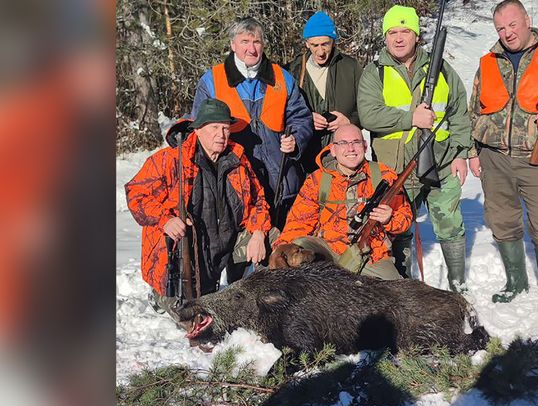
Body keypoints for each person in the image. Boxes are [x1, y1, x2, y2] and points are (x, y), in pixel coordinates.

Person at [467, 0, 538, 315]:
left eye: (512, 24)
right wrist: (473, 152)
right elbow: (473, 109)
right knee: (502, 220)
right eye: (500, 28)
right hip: (493, 156)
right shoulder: (488, 61)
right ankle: (515, 282)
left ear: (527, 19)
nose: (507, 33)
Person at [357, 5, 472, 291]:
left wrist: (461, 152)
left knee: (449, 222)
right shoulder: (375, 73)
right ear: (385, 37)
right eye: (392, 32)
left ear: (417, 36)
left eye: (405, 31)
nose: (398, 38)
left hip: (442, 161)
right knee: (399, 227)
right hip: (395, 168)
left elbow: (458, 109)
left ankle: (458, 284)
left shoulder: (441, 68)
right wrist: (412, 118)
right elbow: (369, 115)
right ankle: (403, 287)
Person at [125, 99, 273, 319]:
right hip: (184, 253)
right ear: (199, 130)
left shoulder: (238, 161)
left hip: (225, 245)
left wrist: (259, 232)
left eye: (225, 128)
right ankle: (160, 295)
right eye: (214, 127)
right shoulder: (169, 160)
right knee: (189, 316)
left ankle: (246, 292)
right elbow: (136, 193)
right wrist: (165, 220)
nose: (221, 134)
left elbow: (258, 199)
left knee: (273, 238)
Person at [191, 17, 312, 229]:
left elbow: (301, 116)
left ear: (263, 44)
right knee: (241, 250)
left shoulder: (282, 77)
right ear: (232, 44)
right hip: (234, 182)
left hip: (281, 180)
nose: (251, 48)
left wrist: (296, 140)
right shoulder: (212, 80)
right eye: (245, 41)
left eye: (256, 42)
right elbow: (199, 128)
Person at [271, 124, 413, 280]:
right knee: (299, 244)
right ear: (332, 149)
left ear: (365, 146)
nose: (350, 148)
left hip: (372, 253)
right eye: (343, 143)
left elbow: (405, 219)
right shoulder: (317, 180)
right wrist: (281, 248)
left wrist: (389, 219)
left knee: (394, 291)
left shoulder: (384, 175)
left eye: (356, 142)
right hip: (327, 252)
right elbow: (299, 222)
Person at [288, 11, 363, 173]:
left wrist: (349, 121)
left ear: (333, 42)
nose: (321, 52)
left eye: (325, 44)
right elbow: (283, 111)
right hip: (305, 159)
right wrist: (306, 118)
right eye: (315, 45)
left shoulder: (351, 67)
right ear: (307, 43)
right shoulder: (292, 71)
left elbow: (366, 108)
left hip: (343, 159)